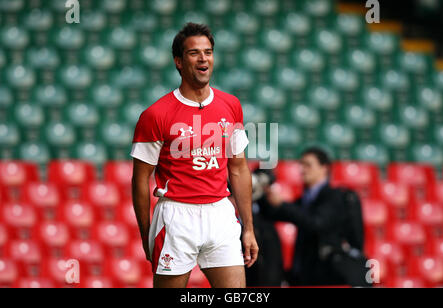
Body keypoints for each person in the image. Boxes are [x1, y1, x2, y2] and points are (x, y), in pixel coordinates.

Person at [131, 23, 258, 288]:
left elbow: (238, 168)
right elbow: (141, 179)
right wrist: (146, 234)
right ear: (178, 62)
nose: (203, 58)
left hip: (221, 212)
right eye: (194, 53)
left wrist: (248, 228)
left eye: (208, 52)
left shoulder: (231, 105)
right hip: (176, 216)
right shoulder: (156, 114)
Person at [262, 147, 369, 287]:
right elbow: (278, 214)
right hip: (306, 276)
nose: (302, 169)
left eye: (308, 165)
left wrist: (282, 205)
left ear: (324, 168)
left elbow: (316, 222)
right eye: (301, 164)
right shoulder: (307, 199)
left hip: (326, 276)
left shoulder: (334, 197)